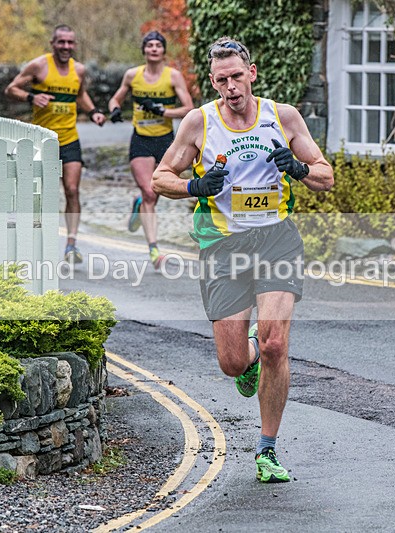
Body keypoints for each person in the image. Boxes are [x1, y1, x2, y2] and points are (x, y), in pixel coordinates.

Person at [152, 37, 333, 483]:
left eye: (237, 76)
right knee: (233, 363)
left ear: (251, 73)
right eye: (221, 79)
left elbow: (325, 177)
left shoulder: (282, 116)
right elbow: (161, 178)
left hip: (276, 240)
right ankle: (246, 358)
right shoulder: (198, 123)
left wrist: (299, 168)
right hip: (223, 247)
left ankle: (267, 450)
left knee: (276, 343)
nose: (231, 86)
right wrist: (196, 187)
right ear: (212, 83)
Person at [5, 24, 106, 264]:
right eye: (61, 42)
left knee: (72, 190)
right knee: (39, 194)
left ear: (75, 45)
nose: (66, 47)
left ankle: (71, 245)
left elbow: (79, 95)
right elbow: (11, 88)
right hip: (42, 141)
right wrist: (32, 97)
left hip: (69, 138)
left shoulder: (79, 70)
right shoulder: (39, 65)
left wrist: (93, 113)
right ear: (53, 44)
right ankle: (34, 240)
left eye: (70, 43)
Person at [107, 30, 194, 268]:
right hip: (141, 139)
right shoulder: (132, 75)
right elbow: (116, 99)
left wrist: (163, 112)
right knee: (149, 191)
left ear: (164, 51)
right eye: (149, 45)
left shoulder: (173, 76)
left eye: (158, 45)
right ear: (144, 50)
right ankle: (154, 249)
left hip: (166, 140)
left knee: (155, 191)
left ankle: (139, 204)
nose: (153, 49)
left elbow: (189, 108)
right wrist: (114, 109)